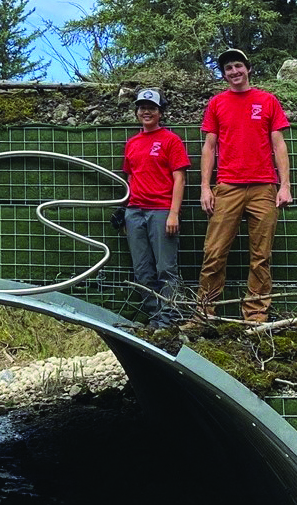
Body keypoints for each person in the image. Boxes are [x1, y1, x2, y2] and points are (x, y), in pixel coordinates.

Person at [197, 47, 291, 324]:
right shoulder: (217, 104)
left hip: (264, 187)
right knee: (214, 252)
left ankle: (255, 316)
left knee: (261, 256)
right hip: (227, 187)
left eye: (238, 66)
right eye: (228, 68)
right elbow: (209, 146)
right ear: (224, 75)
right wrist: (205, 187)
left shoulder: (268, 101)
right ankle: (204, 313)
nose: (234, 72)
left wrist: (284, 186)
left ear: (248, 69)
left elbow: (279, 144)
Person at [121, 88, 190, 327]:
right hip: (135, 212)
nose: (146, 111)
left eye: (151, 108)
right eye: (142, 108)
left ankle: (170, 317)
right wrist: (126, 212)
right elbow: (131, 178)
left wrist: (173, 213)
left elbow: (179, 178)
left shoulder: (171, 140)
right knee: (142, 271)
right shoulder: (132, 143)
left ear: (160, 112)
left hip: (161, 211)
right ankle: (155, 316)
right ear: (137, 112)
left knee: (165, 269)